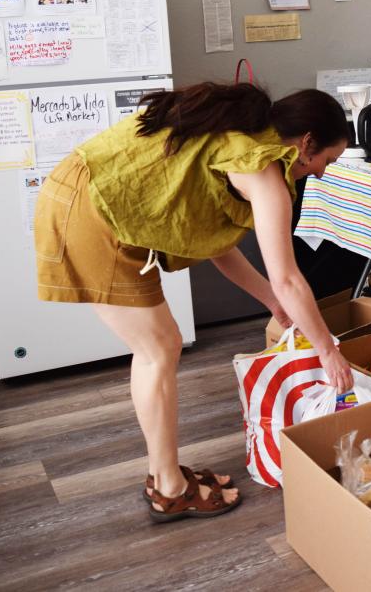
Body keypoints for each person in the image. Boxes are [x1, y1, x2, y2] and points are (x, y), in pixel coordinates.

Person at [34, 82, 354, 524]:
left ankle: (163, 471)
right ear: (307, 144)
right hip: (91, 212)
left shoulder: (241, 137)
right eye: (326, 161)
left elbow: (214, 244)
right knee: (158, 349)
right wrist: (328, 350)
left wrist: (272, 304)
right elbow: (288, 277)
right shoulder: (261, 168)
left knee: (158, 347)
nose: (320, 173)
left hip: (87, 195)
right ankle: (169, 489)